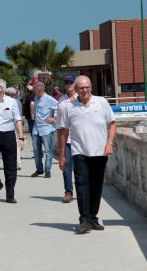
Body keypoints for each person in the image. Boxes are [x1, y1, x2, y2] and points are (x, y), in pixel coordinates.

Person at [59, 75, 116, 234]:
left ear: (91, 87)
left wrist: (109, 143)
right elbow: (63, 132)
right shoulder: (68, 107)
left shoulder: (102, 102)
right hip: (79, 152)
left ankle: (93, 218)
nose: (85, 90)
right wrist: (62, 155)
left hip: (100, 152)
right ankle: (84, 220)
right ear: (76, 90)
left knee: (96, 185)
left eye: (87, 87)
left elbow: (112, 124)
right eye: (81, 88)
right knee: (82, 185)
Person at [56, 75, 78, 203]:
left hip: (79, 139)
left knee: (81, 167)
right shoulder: (61, 101)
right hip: (66, 139)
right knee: (66, 166)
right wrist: (59, 142)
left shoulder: (80, 98)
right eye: (66, 82)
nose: (68, 84)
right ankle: (68, 192)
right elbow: (58, 122)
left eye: (71, 82)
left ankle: (83, 191)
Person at [31, 82, 58, 178]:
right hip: (36, 129)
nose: (33, 92)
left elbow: (60, 110)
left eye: (35, 90)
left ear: (40, 90)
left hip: (47, 129)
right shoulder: (36, 98)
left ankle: (47, 171)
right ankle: (39, 169)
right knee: (36, 150)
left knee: (48, 151)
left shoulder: (50, 100)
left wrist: (54, 119)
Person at [5, 87, 23, 170]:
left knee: (14, 145)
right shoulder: (18, 101)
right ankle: (17, 163)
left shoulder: (11, 102)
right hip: (16, 123)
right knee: (16, 145)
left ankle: (15, 163)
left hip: (12, 124)